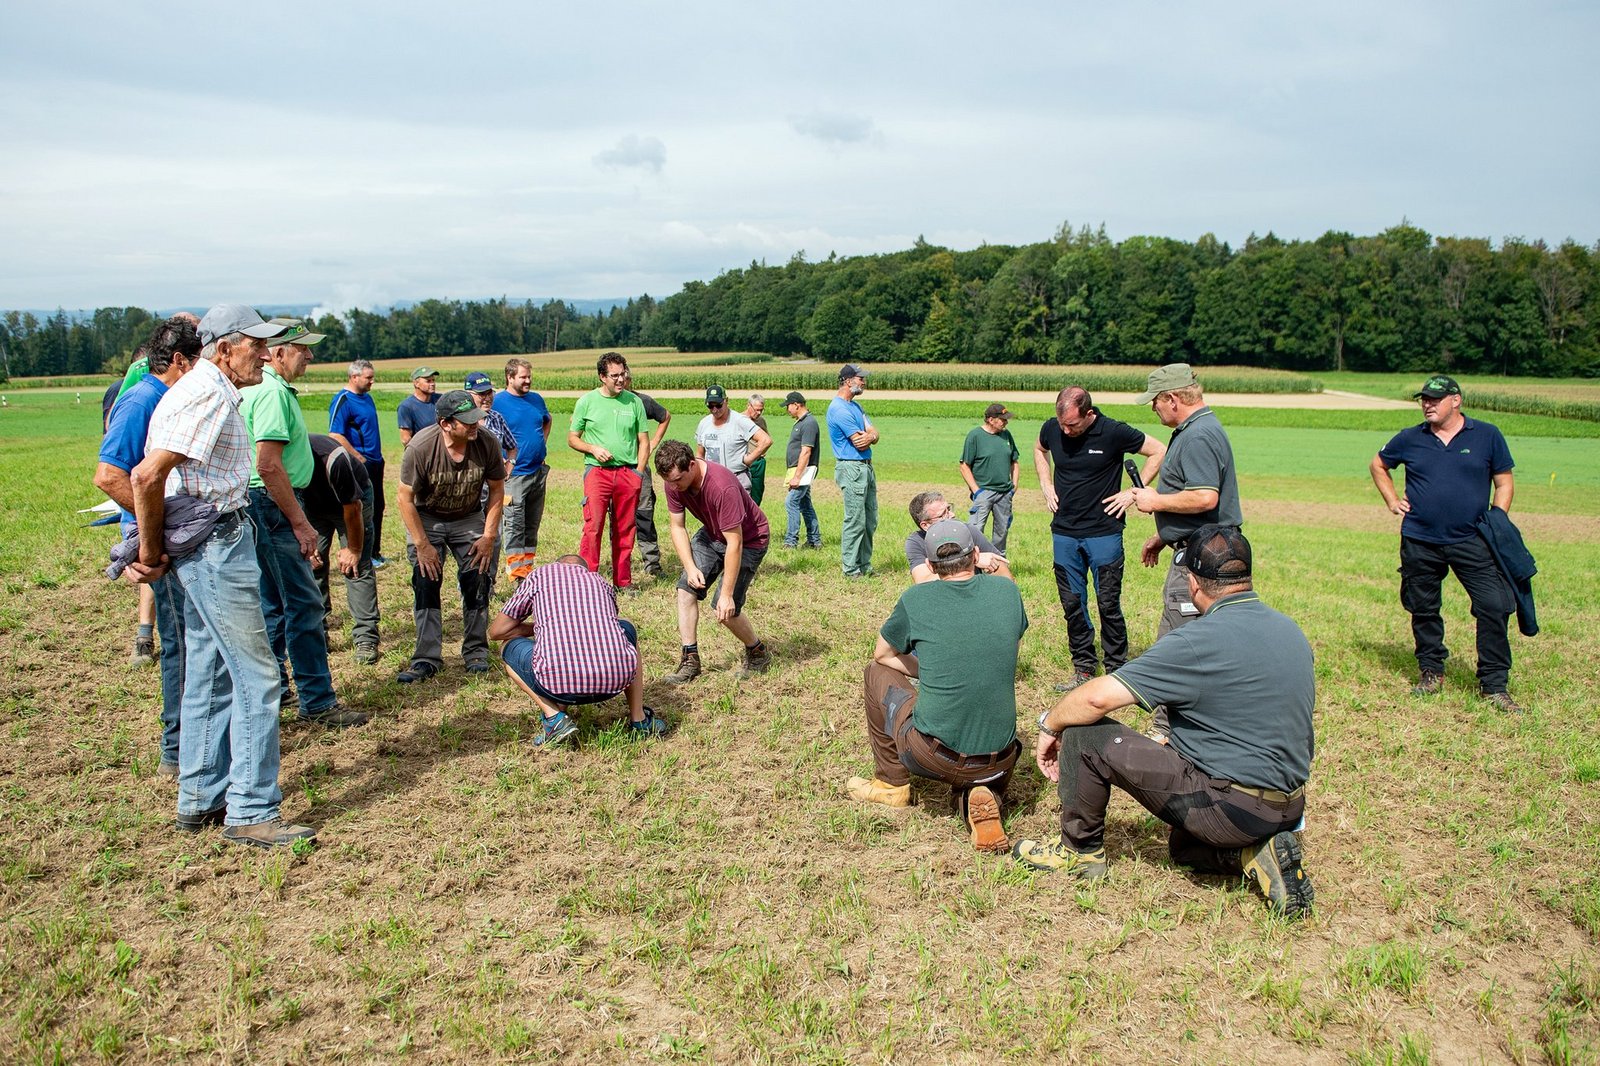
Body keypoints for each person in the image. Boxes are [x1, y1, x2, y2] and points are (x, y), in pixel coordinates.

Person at [1015, 525, 1316, 919]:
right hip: (1288, 808)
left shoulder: (1197, 640)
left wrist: (1050, 724)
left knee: (1084, 732)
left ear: (1192, 583)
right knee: (1183, 848)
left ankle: (1078, 851)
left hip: (1229, 808)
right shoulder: (1290, 630)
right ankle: (1254, 854)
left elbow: (1095, 698)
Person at [124, 303, 315, 849]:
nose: (266, 355)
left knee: (209, 669)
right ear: (224, 348)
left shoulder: (207, 388)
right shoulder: (208, 392)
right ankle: (251, 809)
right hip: (215, 546)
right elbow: (146, 475)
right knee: (259, 677)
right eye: (256, 345)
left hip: (208, 543)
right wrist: (150, 550)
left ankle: (201, 795)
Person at [846, 520, 1027, 853]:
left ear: (929, 566)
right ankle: (975, 794)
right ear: (976, 555)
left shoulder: (917, 598)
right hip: (1002, 759)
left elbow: (882, 654)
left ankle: (891, 784)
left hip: (933, 756)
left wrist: (926, 671)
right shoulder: (1008, 592)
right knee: (976, 771)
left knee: (875, 672)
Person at [1369, 375, 1520, 712]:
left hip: (1473, 539)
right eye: (1424, 399)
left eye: (1435, 399)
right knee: (1423, 607)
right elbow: (1378, 464)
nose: (1427, 404)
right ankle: (1431, 671)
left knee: (1494, 605)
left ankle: (1494, 685)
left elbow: (1504, 481)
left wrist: (1498, 518)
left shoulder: (1487, 435)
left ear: (1456, 400)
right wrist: (1391, 499)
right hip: (1420, 540)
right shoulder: (1410, 438)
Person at [240, 324, 364, 728]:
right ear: (278, 353)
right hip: (274, 503)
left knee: (273, 603)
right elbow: (268, 465)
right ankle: (317, 701)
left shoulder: (255, 388)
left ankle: (276, 687)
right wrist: (299, 520)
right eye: (302, 349)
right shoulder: (272, 393)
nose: (309, 356)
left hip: (260, 503)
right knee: (305, 603)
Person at [95, 316, 202, 778]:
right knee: (179, 641)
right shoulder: (142, 400)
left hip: (176, 537)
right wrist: (156, 526)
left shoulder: (169, 398)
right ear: (179, 361)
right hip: (160, 541)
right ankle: (176, 750)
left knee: (193, 640)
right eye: (199, 360)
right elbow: (109, 475)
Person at [1034, 386, 1165, 690]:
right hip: (1065, 533)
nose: (1066, 431)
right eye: (1062, 424)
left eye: (1072, 425)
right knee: (1072, 602)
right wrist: (1045, 482)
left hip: (1104, 532)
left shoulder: (1114, 432)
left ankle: (1117, 669)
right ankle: (1083, 668)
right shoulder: (1052, 428)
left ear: (1089, 414)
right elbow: (1039, 449)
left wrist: (1133, 492)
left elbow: (1159, 450)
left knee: (1107, 602)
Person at [488, 555, 670, 748]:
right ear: (585, 569)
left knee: (507, 646)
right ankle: (639, 719)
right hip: (614, 683)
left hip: (555, 686)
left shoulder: (539, 576)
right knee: (627, 628)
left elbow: (497, 631)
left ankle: (554, 717)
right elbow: (609, 625)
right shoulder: (601, 581)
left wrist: (541, 626)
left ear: (556, 565)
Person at [1115, 363, 1242, 639]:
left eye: (1155, 400)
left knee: (1180, 641)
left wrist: (1156, 501)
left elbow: (1205, 497)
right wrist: (1166, 535)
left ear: (1172, 399)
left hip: (1200, 555)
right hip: (1209, 546)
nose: (1153, 408)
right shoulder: (1201, 427)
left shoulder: (1198, 435)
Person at [395, 390, 506, 682]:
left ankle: (476, 651)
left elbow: (497, 490)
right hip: (427, 517)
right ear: (446, 424)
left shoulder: (487, 443)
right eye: (467, 421)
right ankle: (426, 658)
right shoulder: (420, 447)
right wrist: (422, 544)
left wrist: (488, 536)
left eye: (476, 419)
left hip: (468, 516)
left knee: (477, 579)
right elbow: (404, 498)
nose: (475, 425)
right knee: (426, 581)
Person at [654, 439, 774, 683]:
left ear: (692, 465)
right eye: (669, 481)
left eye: (678, 480)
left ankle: (758, 652)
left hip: (749, 540)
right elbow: (677, 527)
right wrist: (690, 568)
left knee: (726, 609)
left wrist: (727, 594)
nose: (674, 487)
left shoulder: (722, 486)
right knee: (685, 590)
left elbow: (735, 543)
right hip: (713, 533)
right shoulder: (673, 481)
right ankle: (690, 661)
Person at [567, 352, 651, 593]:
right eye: (614, 375)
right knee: (593, 527)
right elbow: (572, 438)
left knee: (625, 528)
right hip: (597, 472)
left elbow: (644, 441)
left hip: (628, 473)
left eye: (623, 374)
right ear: (602, 377)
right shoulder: (586, 402)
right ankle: (588, 580)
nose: (620, 379)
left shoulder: (634, 402)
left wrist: (638, 474)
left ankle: (623, 581)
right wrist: (593, 448)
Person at [302, 433, 380, 665]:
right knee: (311, 565)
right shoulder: (277, 459)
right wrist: (303, 539)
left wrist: (353, 549)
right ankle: (318, 635)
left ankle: (366, 638)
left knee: (356, 568)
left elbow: (353, 507)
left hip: (352, 501)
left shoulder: (333, 459)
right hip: (311, 508)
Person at [491, 358, 551, 582]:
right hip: (514, 475)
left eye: (529, 376)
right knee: (515, 524)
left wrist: (542, 444)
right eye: (523, 377)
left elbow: (547, 421)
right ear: (510, 377)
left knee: (531, 524)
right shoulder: (498, 402)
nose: (528, 381)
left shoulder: (536, 399)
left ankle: (527, 569)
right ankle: (516, 575)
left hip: (537, 471)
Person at [328, 358, 388, 566]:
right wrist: (358, 457)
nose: (372, 381)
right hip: (360, 464)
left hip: (376, 461)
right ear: (354, 377)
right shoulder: (343, 400)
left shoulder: (367, 398)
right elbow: (335, 434)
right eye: (368, 377)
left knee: (378, 506)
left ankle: (375, 553)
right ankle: (362, 555)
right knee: (363, 509)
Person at [828, 364, 879, 577]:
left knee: (870, 520)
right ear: (848, 381)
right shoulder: (838, 409)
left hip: (866, 467)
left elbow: (873, 433)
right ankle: (850, 568)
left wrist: (871, 436)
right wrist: (870, 437)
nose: (864, 382)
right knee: (855, 520)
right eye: (861, 379)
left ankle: (864, 564)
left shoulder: (856, 407)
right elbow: (860, 442)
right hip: (852, 468)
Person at [622, 367, 672, 579]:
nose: (622, 381)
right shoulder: (602, 402)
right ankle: (620, 562)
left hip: (640, 466)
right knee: (618, 516)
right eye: (617, 377)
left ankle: (651, 563)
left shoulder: (642, 401)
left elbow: (665, 416)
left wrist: (653, 442)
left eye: (625, 378)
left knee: (644, 513)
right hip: (615, 469)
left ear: (630, 380)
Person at [903, 491, 1011, 584]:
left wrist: (993, 567)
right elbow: (922, 580)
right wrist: (973, 560)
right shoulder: (916, 542)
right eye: (943, 514)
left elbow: (1007, 578)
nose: (952, 514)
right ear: (925, 525)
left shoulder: (967, 531)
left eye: (949, 509)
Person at [959, 403, 1020, 552]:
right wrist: (977, 491)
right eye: (1003, 419)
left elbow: (1014, 461)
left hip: (1005, 493)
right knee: (975, 531)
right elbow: (964, 466)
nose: (1006, 422)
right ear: (991, 420)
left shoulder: (1006, 435)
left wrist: (1014, 486)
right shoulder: (975, 436)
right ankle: (972, 561)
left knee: (1001, 532)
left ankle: (998, 562)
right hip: (983, 492)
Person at [695, 384, 772, 492]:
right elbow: (700, 454)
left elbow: (766, 440)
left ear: (726, 401)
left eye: (718, 405)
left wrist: (749, 460)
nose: (715, 410)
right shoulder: (704, 423)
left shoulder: (739, 421)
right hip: (712, 480)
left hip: (737, 479)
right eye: (710, 406)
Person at [780, 391, 822, 549]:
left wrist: (797, 476)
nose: (787, 409)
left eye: (788, 406)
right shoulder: (802, 422)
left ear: (796, 405)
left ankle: (791, 541)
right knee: (805, 504)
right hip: (799, 469)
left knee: (791, 502)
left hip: (804, 470)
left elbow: (806, 451)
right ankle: (814, 541)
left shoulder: (809, 423)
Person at [396, 366, 440, 446]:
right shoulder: (406, 406)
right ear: (416, 384)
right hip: (423, 450)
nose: (432, 384)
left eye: (433, 380)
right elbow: (406, 439)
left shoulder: (441, 400)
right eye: (428, 381)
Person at [743, 393, 771, 504]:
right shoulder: (739, 420)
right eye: (757, 410)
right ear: (748, 405)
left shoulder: (761, 421)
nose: (759, 413)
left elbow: (766, 439)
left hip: (758, 462)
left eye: (761, 410)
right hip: (744, 462)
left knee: (757, 494)